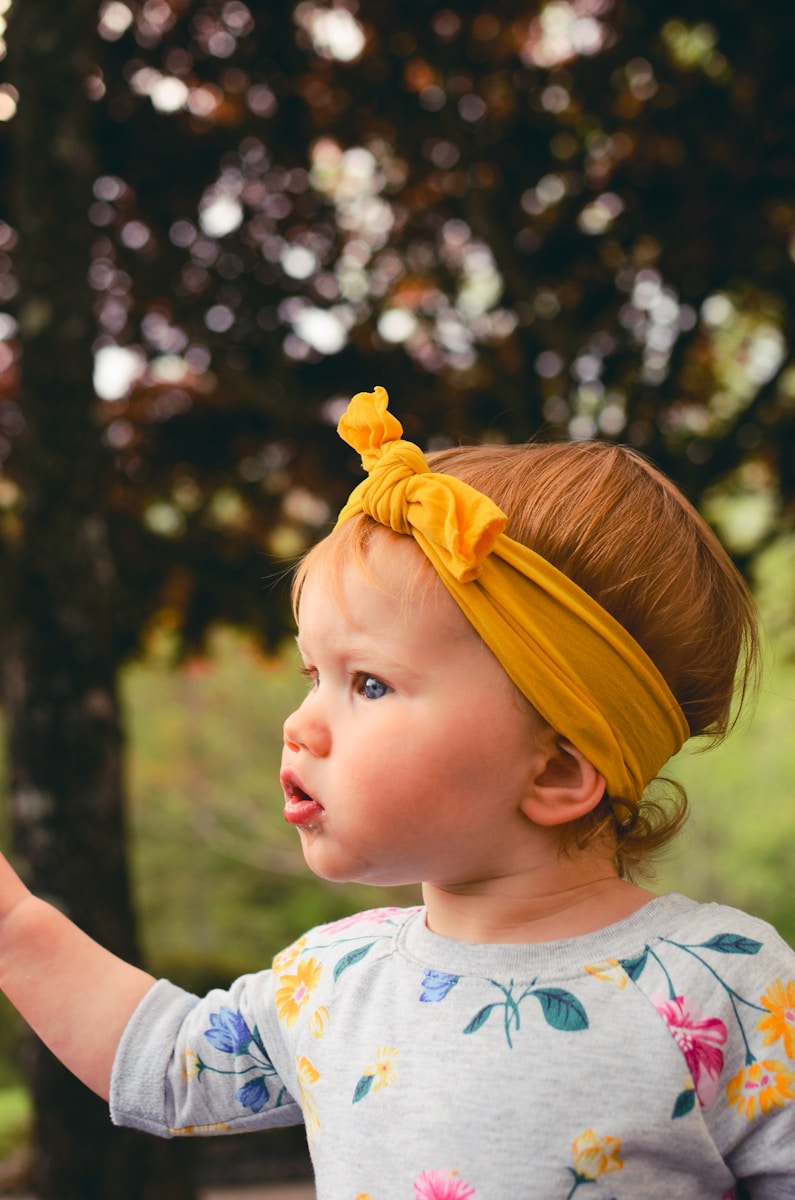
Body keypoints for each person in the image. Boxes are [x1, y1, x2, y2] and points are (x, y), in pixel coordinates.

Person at [0, 385, 793, 1199]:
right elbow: (168, 1059)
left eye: (369, 684)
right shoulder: (334, 979)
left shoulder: (727, 987)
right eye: (314, 675)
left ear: (555, 770)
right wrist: (15, 926)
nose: (299, 724)